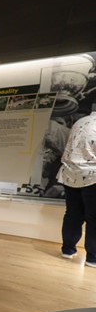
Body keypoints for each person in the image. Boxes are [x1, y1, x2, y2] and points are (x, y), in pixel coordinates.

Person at [56, 108, 96, 266]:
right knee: (94, 219)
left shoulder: (81, 122)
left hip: (70, 174)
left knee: (73, 214)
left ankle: (68, 250)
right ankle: (93, 258)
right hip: (92, 176)